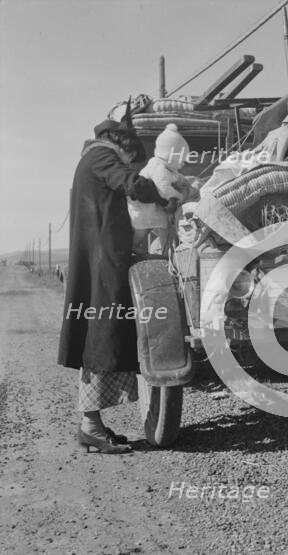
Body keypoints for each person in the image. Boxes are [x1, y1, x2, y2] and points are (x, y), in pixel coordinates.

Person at [58, 115, 169, 453]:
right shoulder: (101, 156)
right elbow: (132, 184)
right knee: (101, 338)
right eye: (129, 152)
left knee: (102, 335)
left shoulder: (89, 159)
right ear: (118, 142)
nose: (128, 158)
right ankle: (91, 425)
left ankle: (92, 424)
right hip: (103, 262)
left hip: (99, 259)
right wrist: (161, 196)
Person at [127, 123, 198, 256]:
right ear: (171, 155)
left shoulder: (168, 168)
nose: (182, 164)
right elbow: (163, 187)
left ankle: (167, 253)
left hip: (154, 207)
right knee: (142, 229)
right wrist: (179, 196)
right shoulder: (157, 166)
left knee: (164, 228)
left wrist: (187, 183)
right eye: (181, 160)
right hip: (143, 205)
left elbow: (178, 177)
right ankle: (132, 246)